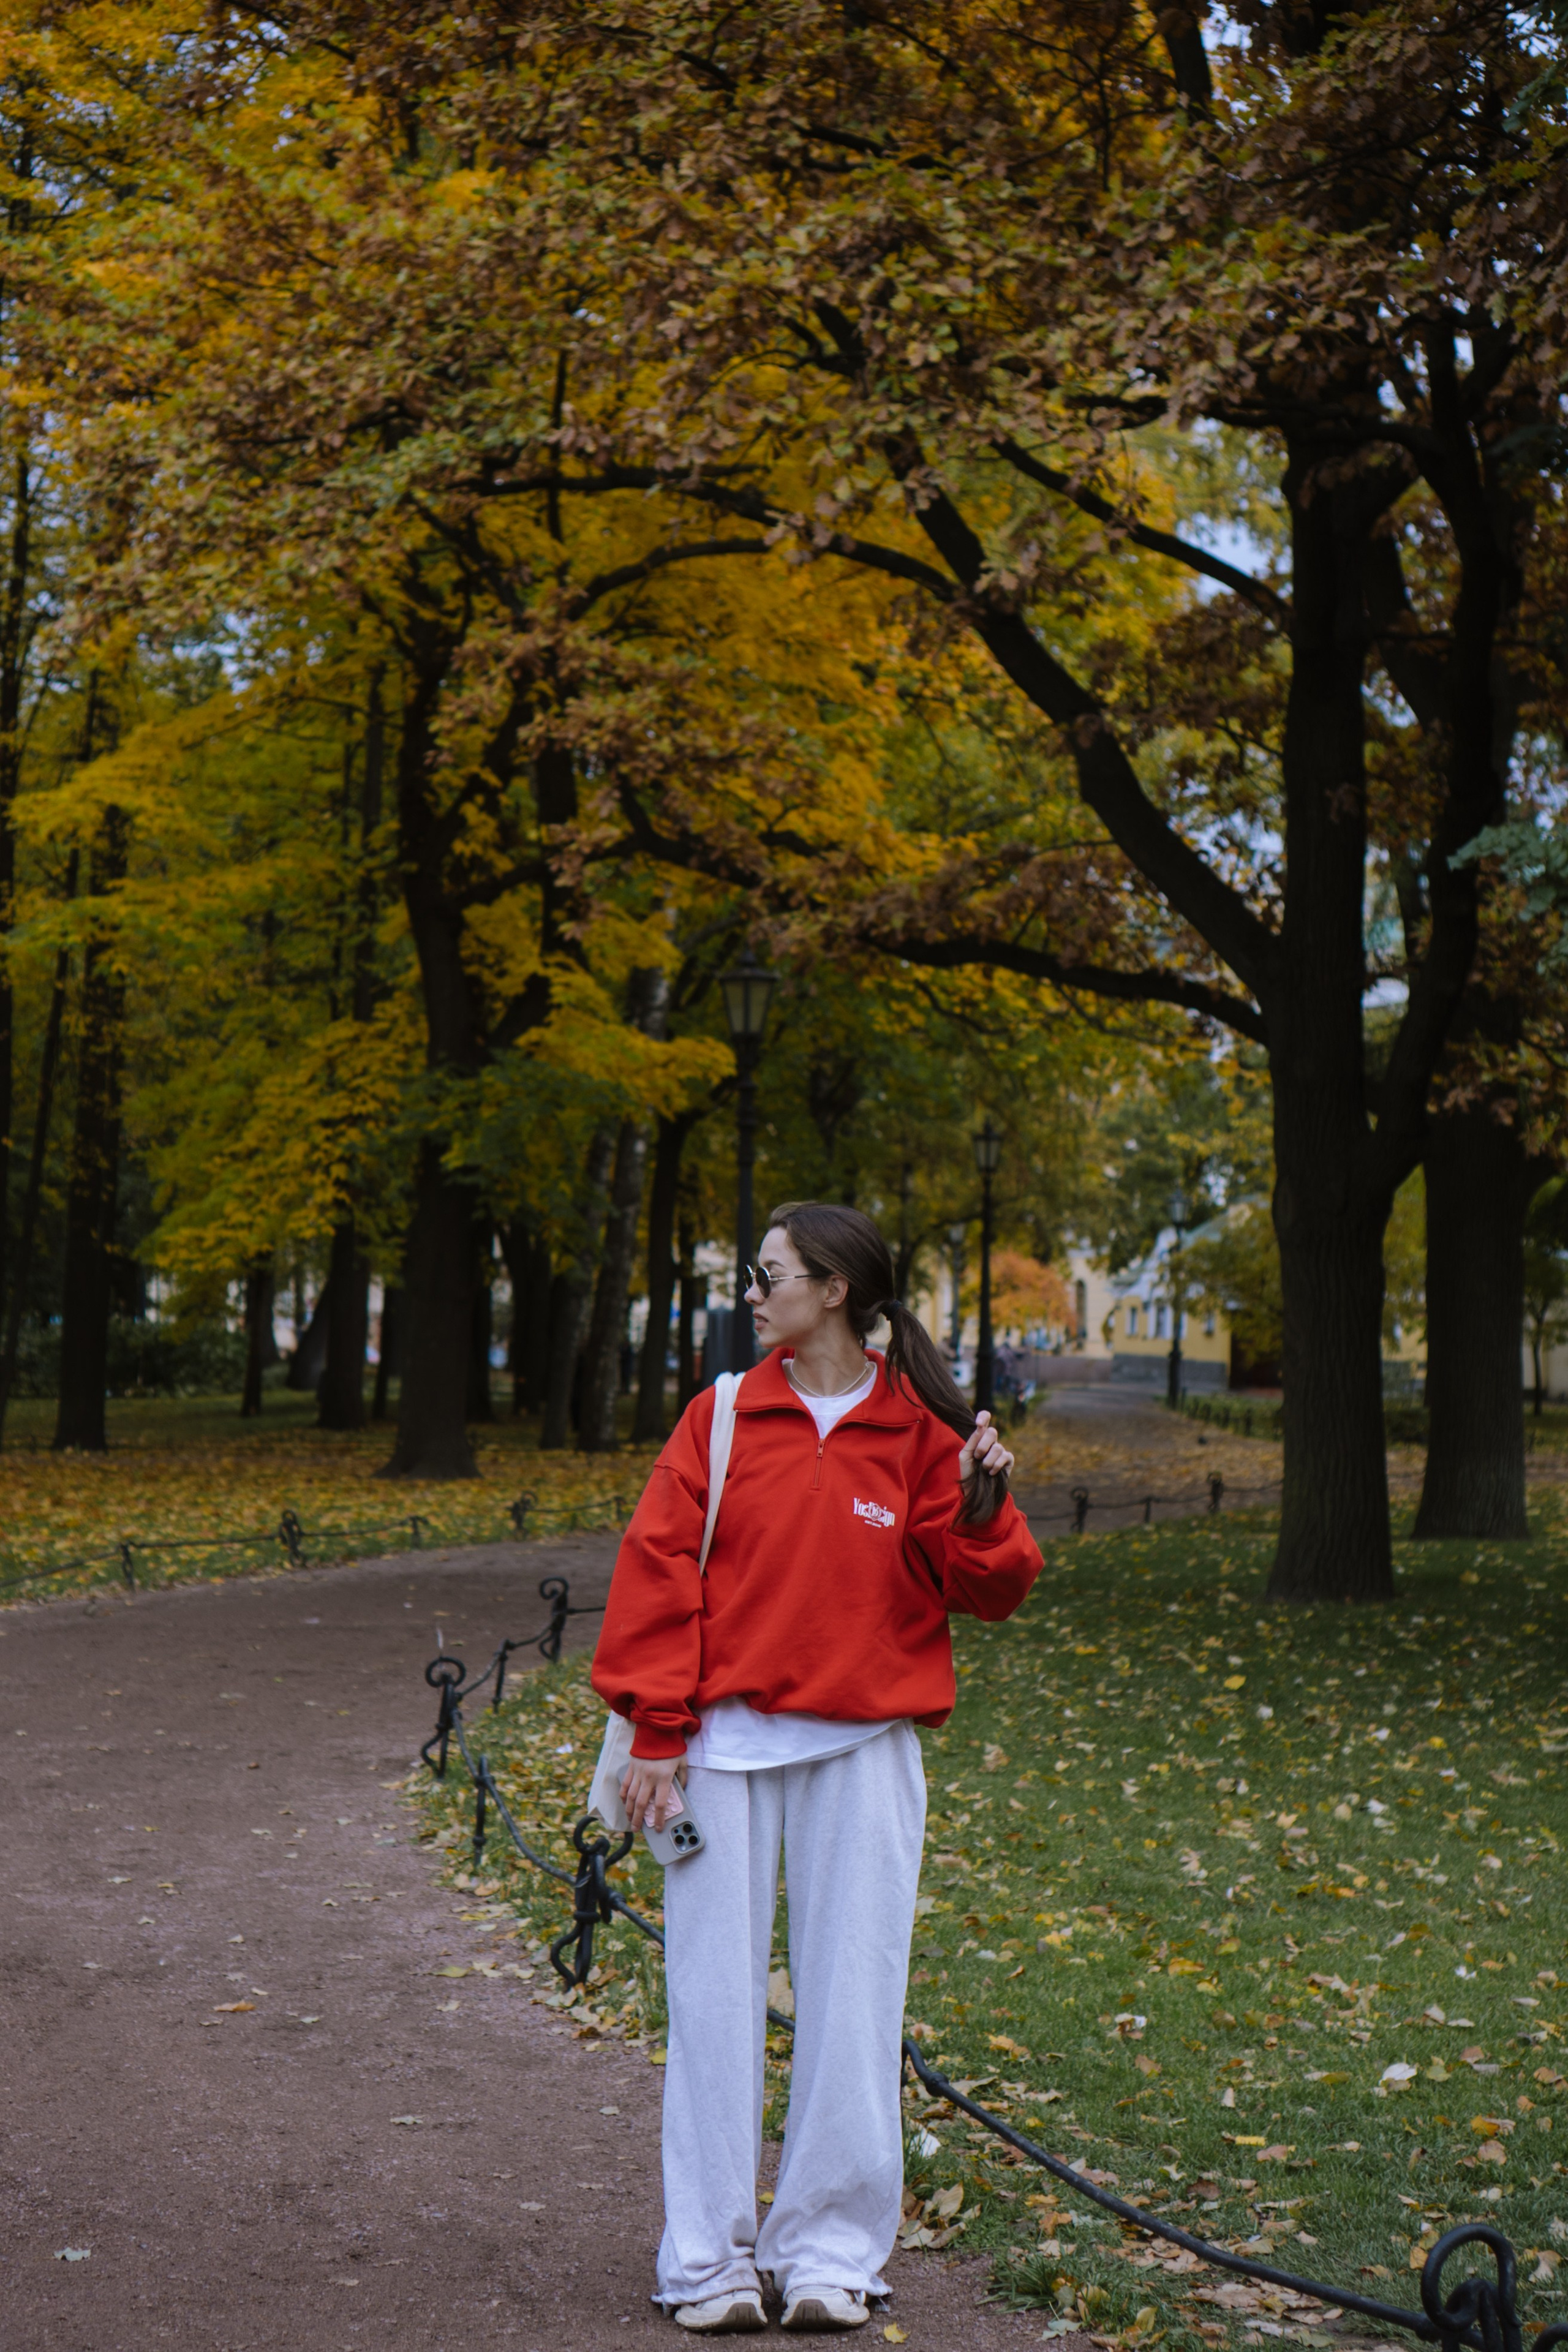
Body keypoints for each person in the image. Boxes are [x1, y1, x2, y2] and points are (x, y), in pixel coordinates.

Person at [592, 1200, 1042, 2334]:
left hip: (865, 1753)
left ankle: (830, 2255)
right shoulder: (725, 1414)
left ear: (834, 1288)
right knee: (710, 2008)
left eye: (772, 1272)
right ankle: (706, 2262)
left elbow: (990, 1588)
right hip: (722, 1753)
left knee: (854, 2006)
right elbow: (657, 1572)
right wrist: (656, 1731)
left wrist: (986, 1505)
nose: (754, 1290)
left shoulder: (924, 1433)